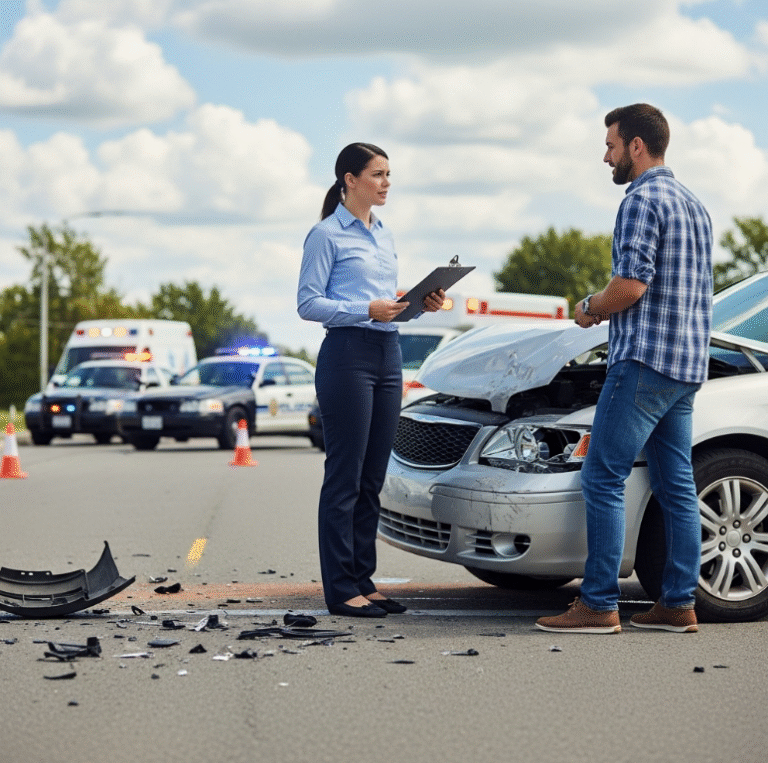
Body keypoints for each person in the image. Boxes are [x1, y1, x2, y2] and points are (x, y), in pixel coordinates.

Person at [536, 104, 713, 634]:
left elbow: (631, 285)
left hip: (643, 362)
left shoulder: (641, 199)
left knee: (602, 476)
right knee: (677, 485)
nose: (606, 156)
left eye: (611, 145)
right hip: (685, 367)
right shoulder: (695, 205)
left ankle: (598, 604)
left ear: (637, 146)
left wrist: (590, 307)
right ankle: (678, 603)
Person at [297, 142, 444, 618]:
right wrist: (366, 309)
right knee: (346, 476)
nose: (386, 183)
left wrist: (419, 304)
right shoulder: (325, 234)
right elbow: (308, 303)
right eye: (378, 174)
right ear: (350, 180)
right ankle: (341, 589)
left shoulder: (384, 234)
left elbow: (387, 305)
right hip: (347, 354)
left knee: (372, 476)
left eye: (388, 174)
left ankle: (363, 579)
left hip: (387, 351)